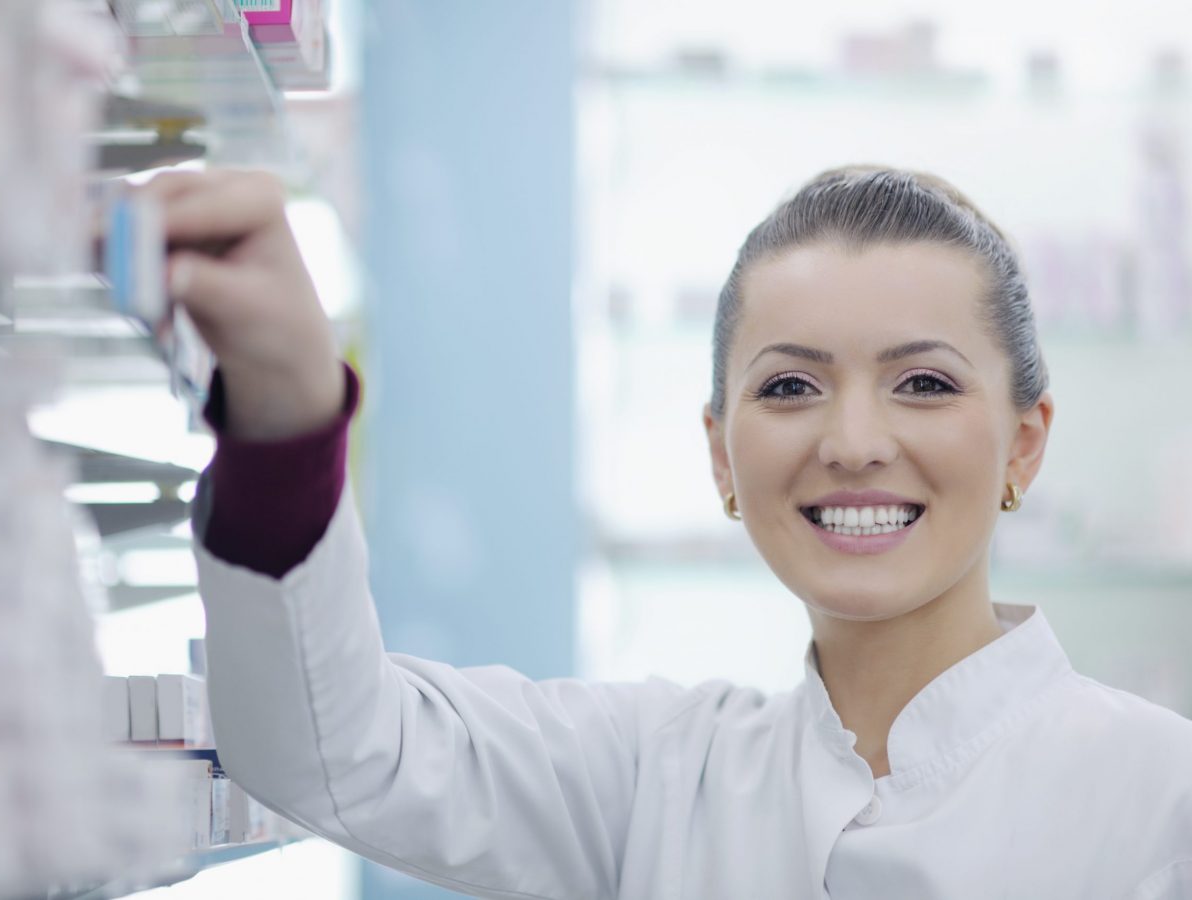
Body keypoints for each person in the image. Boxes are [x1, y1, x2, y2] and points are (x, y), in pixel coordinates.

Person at [156, 165, 1192, 899]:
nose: (854, 440)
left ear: (1023, 444)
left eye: (923, 383)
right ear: (718, 455)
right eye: (790, 385)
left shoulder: (1162, 799)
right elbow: (331, 750)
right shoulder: (653, 776)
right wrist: (286, 411)